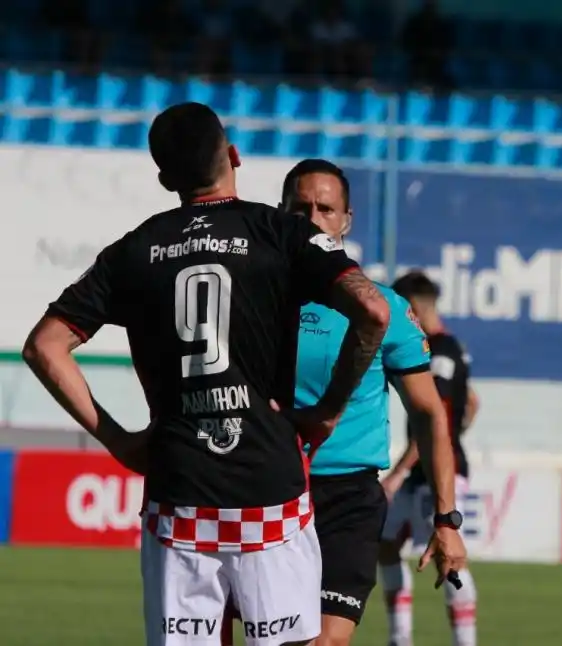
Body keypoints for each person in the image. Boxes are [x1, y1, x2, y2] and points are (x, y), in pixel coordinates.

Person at [21, 102, 392, 646]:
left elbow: (44, 347)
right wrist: (328, 411)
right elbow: (373, 310)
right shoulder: (279, 233)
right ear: (234, 155)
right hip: (269, 490)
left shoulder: (133, 250)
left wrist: (119, 441)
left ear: (166, 178)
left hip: (179, 493)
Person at [220, 159, 468, 646]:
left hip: (347, 499)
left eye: (326, 209)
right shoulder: (250, 298)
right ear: (281, 214)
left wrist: (445, 520)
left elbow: (428, 413)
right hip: (263, 487)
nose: (313, 218)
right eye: (300, 208)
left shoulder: (385, 307)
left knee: (324, 642)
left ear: (346, 219)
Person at [379, 271, 480, 646]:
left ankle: (464, 641)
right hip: (421, 472)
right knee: (385, 544)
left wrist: (396, 474)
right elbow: (471, 402)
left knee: (448, 559)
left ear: (415, 308)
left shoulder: (438, 352)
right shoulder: (451, 348)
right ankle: (400, 637)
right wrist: (457, 431)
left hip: (437, 475)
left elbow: (432, 422)